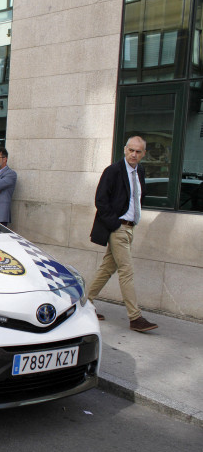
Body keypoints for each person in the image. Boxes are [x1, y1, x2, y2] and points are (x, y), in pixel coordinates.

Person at [87, 136, 157, 332]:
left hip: (130, 227)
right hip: (118, 229)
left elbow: (138, 196)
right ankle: (135, 317)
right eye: (131, 150)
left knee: (107, 269)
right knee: (126, 271)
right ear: (125, 150)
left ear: (143, 154)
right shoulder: (113, 171)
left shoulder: (140, 171)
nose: (134, 155)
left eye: (138, 152)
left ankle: (82, 304)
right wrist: (115, 225)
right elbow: (100, 201)